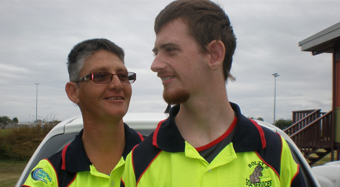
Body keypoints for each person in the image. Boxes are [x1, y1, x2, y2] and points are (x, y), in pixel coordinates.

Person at [122, 0, 306, 186]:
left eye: (170, 50)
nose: (155, 65)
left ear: (214, 54)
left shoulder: (275, 152)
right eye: (156, 53)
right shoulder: (139, 162)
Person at [22, 38, 143, 187]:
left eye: (123, 76)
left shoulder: (159, 157)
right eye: (100, 76)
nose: (117, 84)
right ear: (73, 92)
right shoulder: (50, 174)